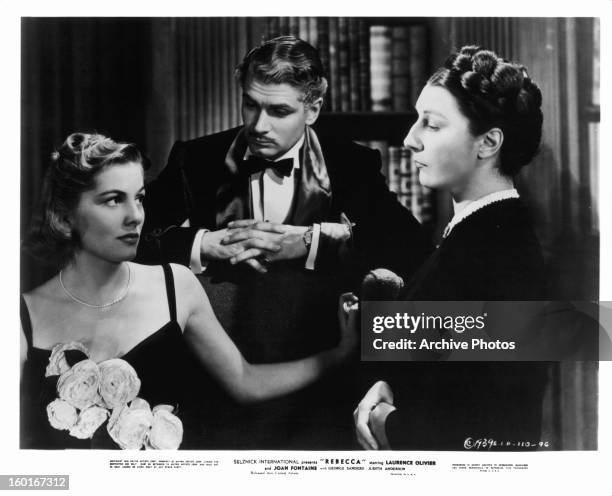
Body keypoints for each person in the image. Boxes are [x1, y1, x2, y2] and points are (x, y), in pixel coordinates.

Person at [137, 35, 432, 449]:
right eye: (250, 105)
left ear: (312, 110)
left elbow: (410, 247)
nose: (259, 125)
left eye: (279, 111)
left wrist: (313, 241)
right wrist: (202, 244)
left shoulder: (351, 163)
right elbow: (129, 240)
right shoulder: (196, 159)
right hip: (221, 375)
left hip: (321, 375)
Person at [20, 132, 358, 450]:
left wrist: (338, 354)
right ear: (64, 218)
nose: (135, 217)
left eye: (139, 198)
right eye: (113, 201)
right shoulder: (22, 316)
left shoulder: (176, 285)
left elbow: (246, 381)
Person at [354, 46, 550, 451]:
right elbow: (448, 381)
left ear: (488, 142)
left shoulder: (502, 253)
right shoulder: (474, 236)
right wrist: (389, 383)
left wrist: (386, 421)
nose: (410, 140)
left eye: (433, 125)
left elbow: (502, 434)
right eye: (416, 121)